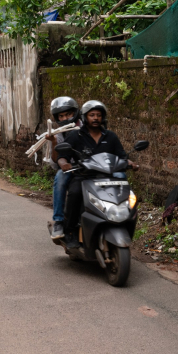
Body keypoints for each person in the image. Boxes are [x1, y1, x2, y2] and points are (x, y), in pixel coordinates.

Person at [59, 101, 136, 245]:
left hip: (108, 178)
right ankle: (70, 231)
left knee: (127, 195)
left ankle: (122, 222)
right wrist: (64, 163)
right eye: (92, 115)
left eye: (98, 115)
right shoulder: (76, 136)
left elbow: (122, 155)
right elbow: (62, 155)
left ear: (103, 118)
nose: (95, 118)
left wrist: (130, 163)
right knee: (75, 194)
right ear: (85, 117)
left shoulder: (111, 136)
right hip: (84, 177)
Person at [45, 96, 80, 238]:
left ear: (75, 113)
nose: (66, 118)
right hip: (70, 169)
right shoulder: (58, 134)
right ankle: (59, 220)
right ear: (57, 118)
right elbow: (54, 162)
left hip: (90, 167)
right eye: (62, 116)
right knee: (60, 177)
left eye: (69, 114)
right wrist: (53, 142)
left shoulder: (84, 127)